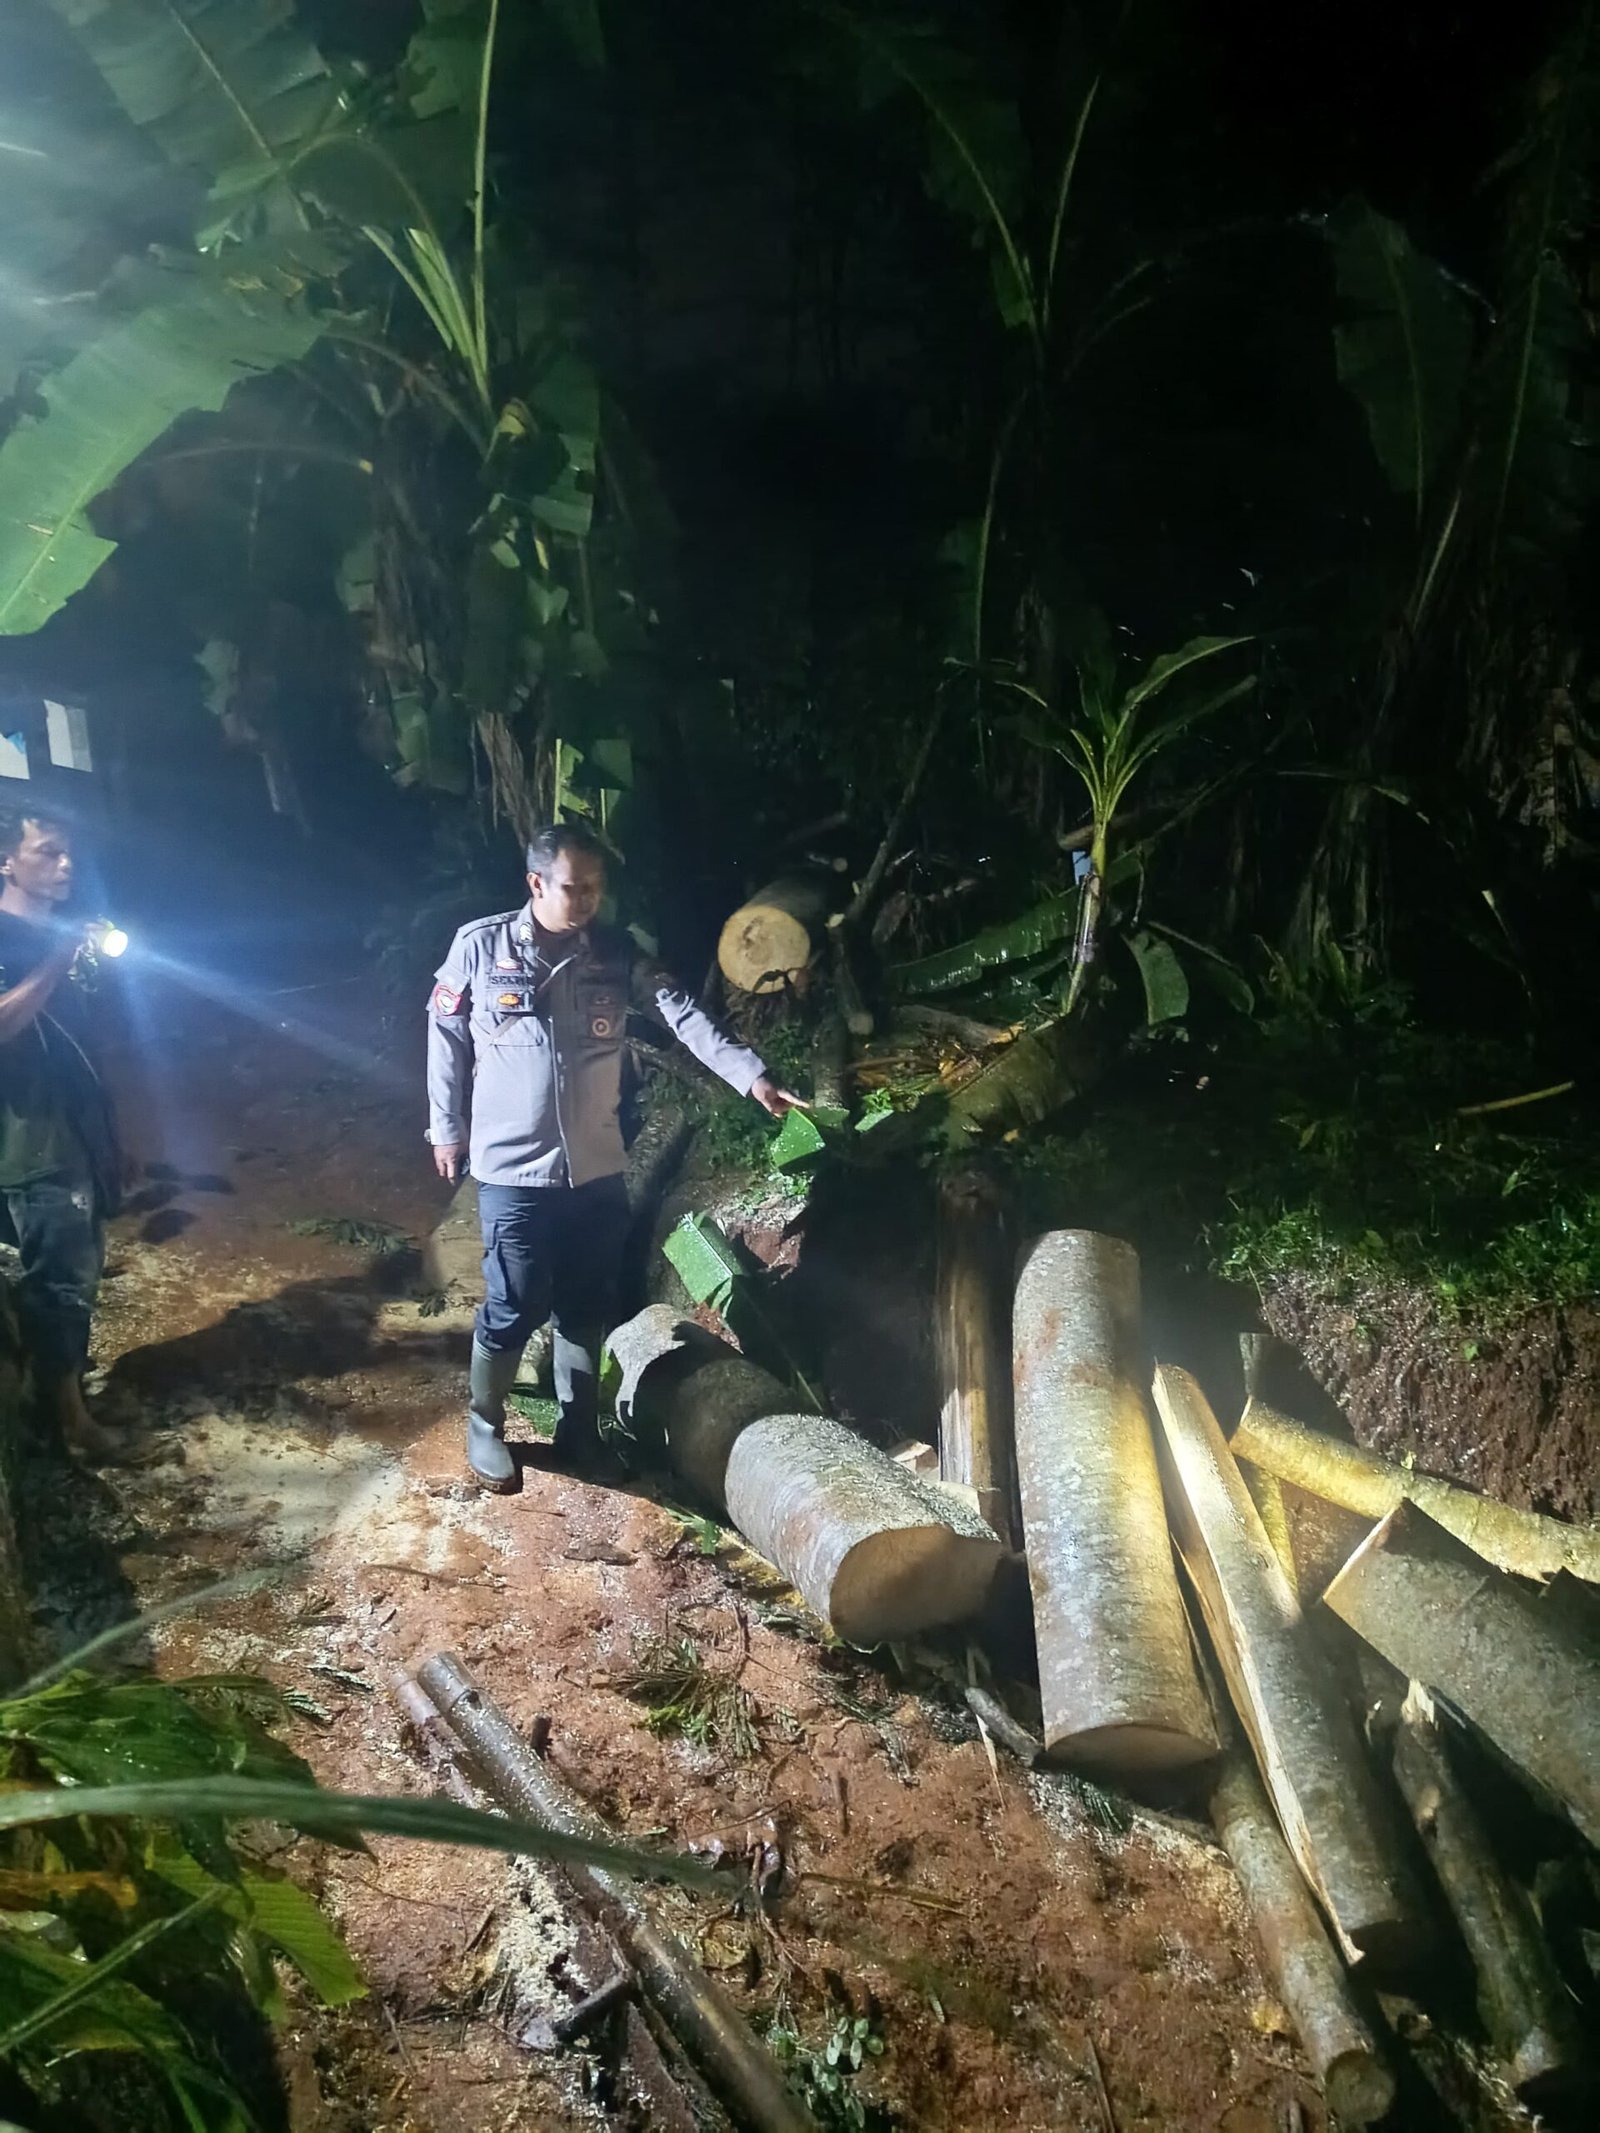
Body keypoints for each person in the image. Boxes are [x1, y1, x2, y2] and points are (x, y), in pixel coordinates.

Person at [427, 823, 805, 1488]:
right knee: (514, 1303)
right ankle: (485, 1423)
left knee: (585, 1303)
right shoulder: (481, 946)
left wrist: (751, 1075)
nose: (587, 901)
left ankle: (580, 1431)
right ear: (536, 883)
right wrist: (445, 1126)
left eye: (596, 888)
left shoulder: (615, 953)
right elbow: (445, 1033)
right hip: (513, 1170)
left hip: (596, 1168)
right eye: (574, 888)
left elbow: (682, 1013)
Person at [0, 801, 126, 1464]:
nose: (66, 864)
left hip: (74, 1127)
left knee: (77, 1270)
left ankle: (53, 1398)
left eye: (69, 852)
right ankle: (69, 1424)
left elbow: (86, 1042)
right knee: (59, 1286)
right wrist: (56, 957)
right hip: (29, 1138)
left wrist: (110, 1137)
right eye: (47, 851)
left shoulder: (61, 934)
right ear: (6, 861)